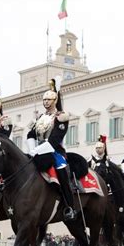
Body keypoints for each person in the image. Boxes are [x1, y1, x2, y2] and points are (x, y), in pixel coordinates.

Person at [26, 78, 76, 221]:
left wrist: (36, 151)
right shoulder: (41, 117)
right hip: (37, 150)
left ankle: (69, 206)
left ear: (55, 100)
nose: (46, 102)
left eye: (49, 99)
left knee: (61, 173)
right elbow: (30, 134)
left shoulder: (61, 117)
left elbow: (54, 141)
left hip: (55, 152)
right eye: (45, 99)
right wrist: (31, 149)